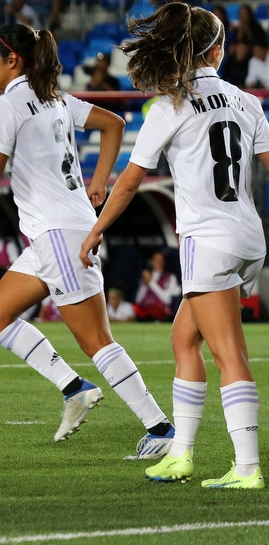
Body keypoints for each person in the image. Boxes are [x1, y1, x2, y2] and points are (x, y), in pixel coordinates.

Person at [80, 2, 269, 490]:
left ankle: (247, 468)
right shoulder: (246, 101)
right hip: (247, 236)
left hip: (208, 239)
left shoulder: (170, 106)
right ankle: (181, 454)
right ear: (217, 50)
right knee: (183, 339)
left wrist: (96, 231)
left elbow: (130, 183)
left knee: (229, 353)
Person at [0, 23, 174, 454]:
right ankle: (72, 385)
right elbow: (113, 123)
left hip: (58, 234)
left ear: (11, 59)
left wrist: (99, 184)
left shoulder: (12, 103)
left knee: (97, 340)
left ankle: (160, 430)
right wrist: (98, 183)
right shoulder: (53, 98)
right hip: (56, 232)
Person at [133, 251, 181, 321]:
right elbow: (138, 300)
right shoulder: (146, 277)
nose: (159, 262)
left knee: (155, 310)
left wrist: (151, 282)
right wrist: (144, 286)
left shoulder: (170, 277)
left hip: (160, 310)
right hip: (145, 309)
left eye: (161, 260)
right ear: (151, 261)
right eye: (156, 260)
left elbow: (166, 299)